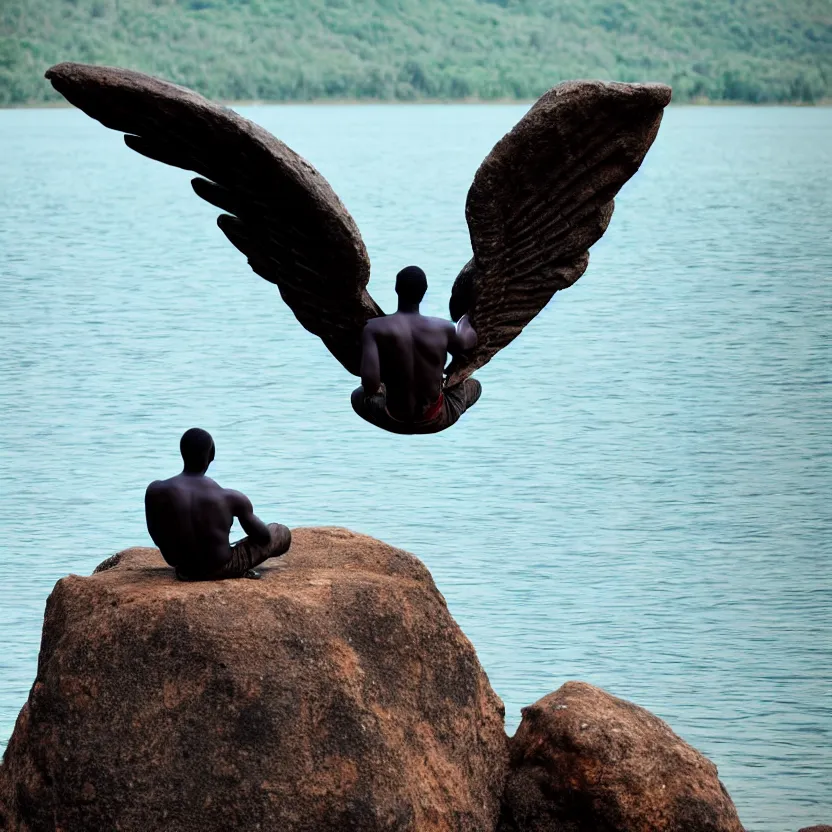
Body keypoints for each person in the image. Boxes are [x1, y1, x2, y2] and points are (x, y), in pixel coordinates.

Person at [145, 428, 291, 580]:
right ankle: (237, 569)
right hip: (223, 567)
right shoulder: (230, 497)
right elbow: (263, 537)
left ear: (183, 453)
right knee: (279, 532)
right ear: (211, 455)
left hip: (184, 568)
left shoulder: (155, 491)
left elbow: (156, 535)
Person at [351, 266, 481, 435]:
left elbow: (370, 385)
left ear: (396, 289)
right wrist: (464, 320)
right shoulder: (443, 328)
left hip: (393, 418)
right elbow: (469, 340)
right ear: (424, 292)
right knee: (475, 386)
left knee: (357, 396)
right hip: (435, 419)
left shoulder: (374, 329)